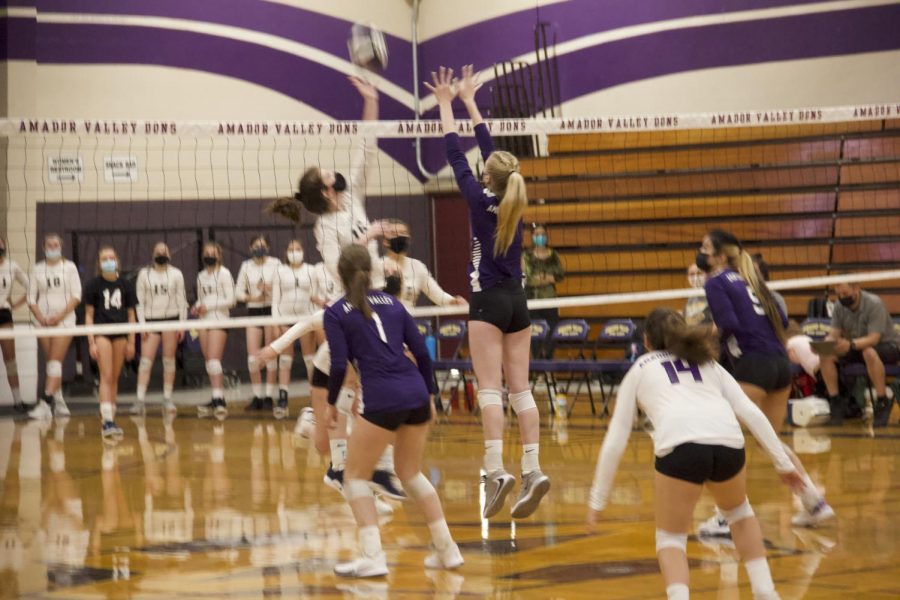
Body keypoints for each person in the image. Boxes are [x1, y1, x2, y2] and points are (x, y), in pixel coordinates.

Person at [586, 308, 802, 600]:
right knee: (740, 516)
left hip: (682, 446)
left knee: (670, 538)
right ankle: (766, 591)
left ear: (647, 341)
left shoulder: (641, 367)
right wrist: (783, 463)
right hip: (728, 444)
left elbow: (617, 437)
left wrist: (598, 499)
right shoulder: (709, 364)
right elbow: (750, 412)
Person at [267, 75, 400, 500]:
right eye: (330, 175)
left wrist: (371, 99)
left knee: (360, 382)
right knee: (374, 382)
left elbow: (367, 143)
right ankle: (367, 466)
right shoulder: (326, 226)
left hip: (378, 301)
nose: (337, 174)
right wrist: (369, 237)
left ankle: (334, 443)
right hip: (355, 304)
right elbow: (339, 268)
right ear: (326, 191)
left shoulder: (354, 200)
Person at [428, 65, 549, 519]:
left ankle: (497, 470)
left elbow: (456, 151)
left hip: (486, 302)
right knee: (522, 392)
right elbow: (489, 151)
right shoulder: (516, 199)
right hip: (518, 300)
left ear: (487, 177)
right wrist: (470, 101)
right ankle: (533, 468)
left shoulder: (479, 202)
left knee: (489, 390)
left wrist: (446, 102)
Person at [324, 245, 462, 578]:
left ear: (338, 274)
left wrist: (331, 405)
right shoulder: (395, 304)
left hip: (382, 397)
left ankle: (373, 556)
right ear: (371, 271)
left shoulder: (336, 312)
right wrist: (430, 395)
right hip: (414, 392)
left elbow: (340, 363)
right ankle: (447, 550)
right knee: (410, 474)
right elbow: (422, 354)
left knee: (354, 476)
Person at [696, 229, 833, 530]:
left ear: (720, 256)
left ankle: (726, 518)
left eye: (705, 248)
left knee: (720, 435)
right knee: (769, 441)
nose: (701, 253)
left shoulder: (716, 282)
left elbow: (728, 324)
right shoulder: (751, 278)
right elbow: (781, 319)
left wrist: (699, 336)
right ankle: (814, 504)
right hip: (781, 365)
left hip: (754, 365)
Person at [819, 280, 899, 427]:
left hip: (888, 346)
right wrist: (827, 343)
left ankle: (882, 400)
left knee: (868, 352)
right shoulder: (839, 305)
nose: (842, 297)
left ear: (856, 288)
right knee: (825, 355)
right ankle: (836, 400)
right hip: (855, 346)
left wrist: (850, 344)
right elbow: (834, 333)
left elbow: (874, 339)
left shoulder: (874, 303)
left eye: (845, 293)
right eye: (838, 294)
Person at [84, 246, 137, 442]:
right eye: (104, 258)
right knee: (106, 376)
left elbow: (132, 315)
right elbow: (89, 315)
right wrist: (91, 342)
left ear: (117, 260)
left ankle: (110, 419)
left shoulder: (126, 284)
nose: (108, 261)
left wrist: (132, 341)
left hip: (121, 333)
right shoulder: (93, 285)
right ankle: (107, 421)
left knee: (114, 377)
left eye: (111, 257)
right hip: (102, 333)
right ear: (99, 263)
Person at [27, 234, 81, 419]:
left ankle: (45, 403)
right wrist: (40, 316)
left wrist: (59, 315)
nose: (52, 247)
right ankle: (59, 401)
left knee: (56, 361)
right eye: (49, 244)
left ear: (61, 247)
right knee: (51, 362)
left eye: (56, 244)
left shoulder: (70, 267)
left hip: (64, 320)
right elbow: (30, 297)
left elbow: (76, 295)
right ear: (43, 247)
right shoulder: (37, 269)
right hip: (42, 321)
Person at [134, 242, 188, 415]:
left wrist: (182, 324)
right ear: (152, 254)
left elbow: (182, 301)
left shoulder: (176, 274)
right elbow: (139, 302)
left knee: (168, 360)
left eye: (164, 251)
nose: (161, 254)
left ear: (169, 255)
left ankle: (167, 398)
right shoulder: (144, 274)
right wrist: (142, 325)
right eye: (158, 251)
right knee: (145, 361)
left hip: (171, 320)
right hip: (151, 321)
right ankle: (140, 399)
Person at [271, 239, 318, 418]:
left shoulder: (311, 270)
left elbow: (314, 295)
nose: (294, 252)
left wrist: (314, 320)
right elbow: (275, 299)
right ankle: (282, 399)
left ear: (303, 251)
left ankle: (314, 396)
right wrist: (275, 323)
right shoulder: (280, 271)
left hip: (305, 318)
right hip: (285, 318)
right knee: (285, 359)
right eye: (291, 249)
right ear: (286, 252)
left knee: (309, 359)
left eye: (298, 249)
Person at [235, 235, 282, 412]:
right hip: (254, 311)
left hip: (271, 310)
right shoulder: (246, 266)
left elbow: (282, 287)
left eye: (262, 245)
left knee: (270, 355)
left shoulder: (276, 263)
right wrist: (253, 296)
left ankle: (269, 396)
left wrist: (269, 290)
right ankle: (257, 396)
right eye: (256, 245)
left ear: (268, 247)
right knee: (252, 357)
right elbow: (238, 292)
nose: (259, 248)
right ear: (250, 248)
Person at [191, 241, 235, 419]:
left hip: (220, 319)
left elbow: (231, 300)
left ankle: (219, 400)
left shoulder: (224, 274)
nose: (209, 255)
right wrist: (196, 307)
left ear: (219, 255)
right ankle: (217, 397)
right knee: (209, 361)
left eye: (213, 252)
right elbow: (202, 299)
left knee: (215, 360)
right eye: (206, 252)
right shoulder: (201, 276)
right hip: (204, 321)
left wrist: (209, 307)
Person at [381, 219, 464, 310]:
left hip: (409, 320)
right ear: (385, 241)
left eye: (403, 232)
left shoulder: (417, 266)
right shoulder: (377, 265)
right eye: (394, 233)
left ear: (409, 239)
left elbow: (438, 295)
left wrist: (454, 301)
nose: (400, 236)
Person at [0, 236, 29, 408]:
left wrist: (15, 305)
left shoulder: (12, 266)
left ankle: (18, 401)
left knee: (10, 360)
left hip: (4, 315)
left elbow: (31, 286)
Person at [523, 223, 564, 332]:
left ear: (546, 235)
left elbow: (559, 276)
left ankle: (548, 350)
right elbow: (528, 279)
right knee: (535, 335)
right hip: (532, 300)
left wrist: (543, 277)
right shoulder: (526, 256)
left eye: (542, 234)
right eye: (537, 234)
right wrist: (548, 278)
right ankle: (537, 350)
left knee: (552, 331)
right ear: (532, 236)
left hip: (550, 299)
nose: (540, 237)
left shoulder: (554, 255)